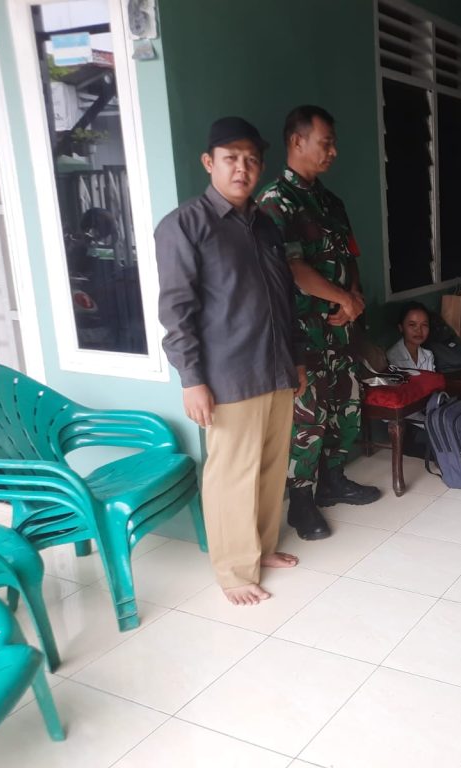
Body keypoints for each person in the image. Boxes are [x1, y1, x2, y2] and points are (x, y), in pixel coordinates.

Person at [155, 116, 305, 606]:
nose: (242, 168)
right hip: (227, 374)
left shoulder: (265, 225)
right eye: (231, 158)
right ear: (209, 162)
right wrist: (191, 379)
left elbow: (284, 299)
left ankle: (261, 548)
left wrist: (297, 360)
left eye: (251, 160)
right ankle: (234, 571)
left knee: (270, 467)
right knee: (232, 475)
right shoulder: (185, 225)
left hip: (276, 366)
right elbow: (177, 311)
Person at [258, 105, 381, 543]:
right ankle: (301, 503)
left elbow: (350, 258)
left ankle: (333, 480)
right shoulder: (276, 202)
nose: (333, 151)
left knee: (346, 406)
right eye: (325, 143)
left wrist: (354, 301)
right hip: (304, 333)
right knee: (308, 418)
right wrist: (342, 299)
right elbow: (293, 269)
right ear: (297, 141)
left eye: (333, 144)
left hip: (342, 328)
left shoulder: (331, 202)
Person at [387, 302, 435, 372]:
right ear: (401, 327)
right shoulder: (391, 358)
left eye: (424, 325)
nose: (419, 330)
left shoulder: (428, 355)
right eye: (412, 325)